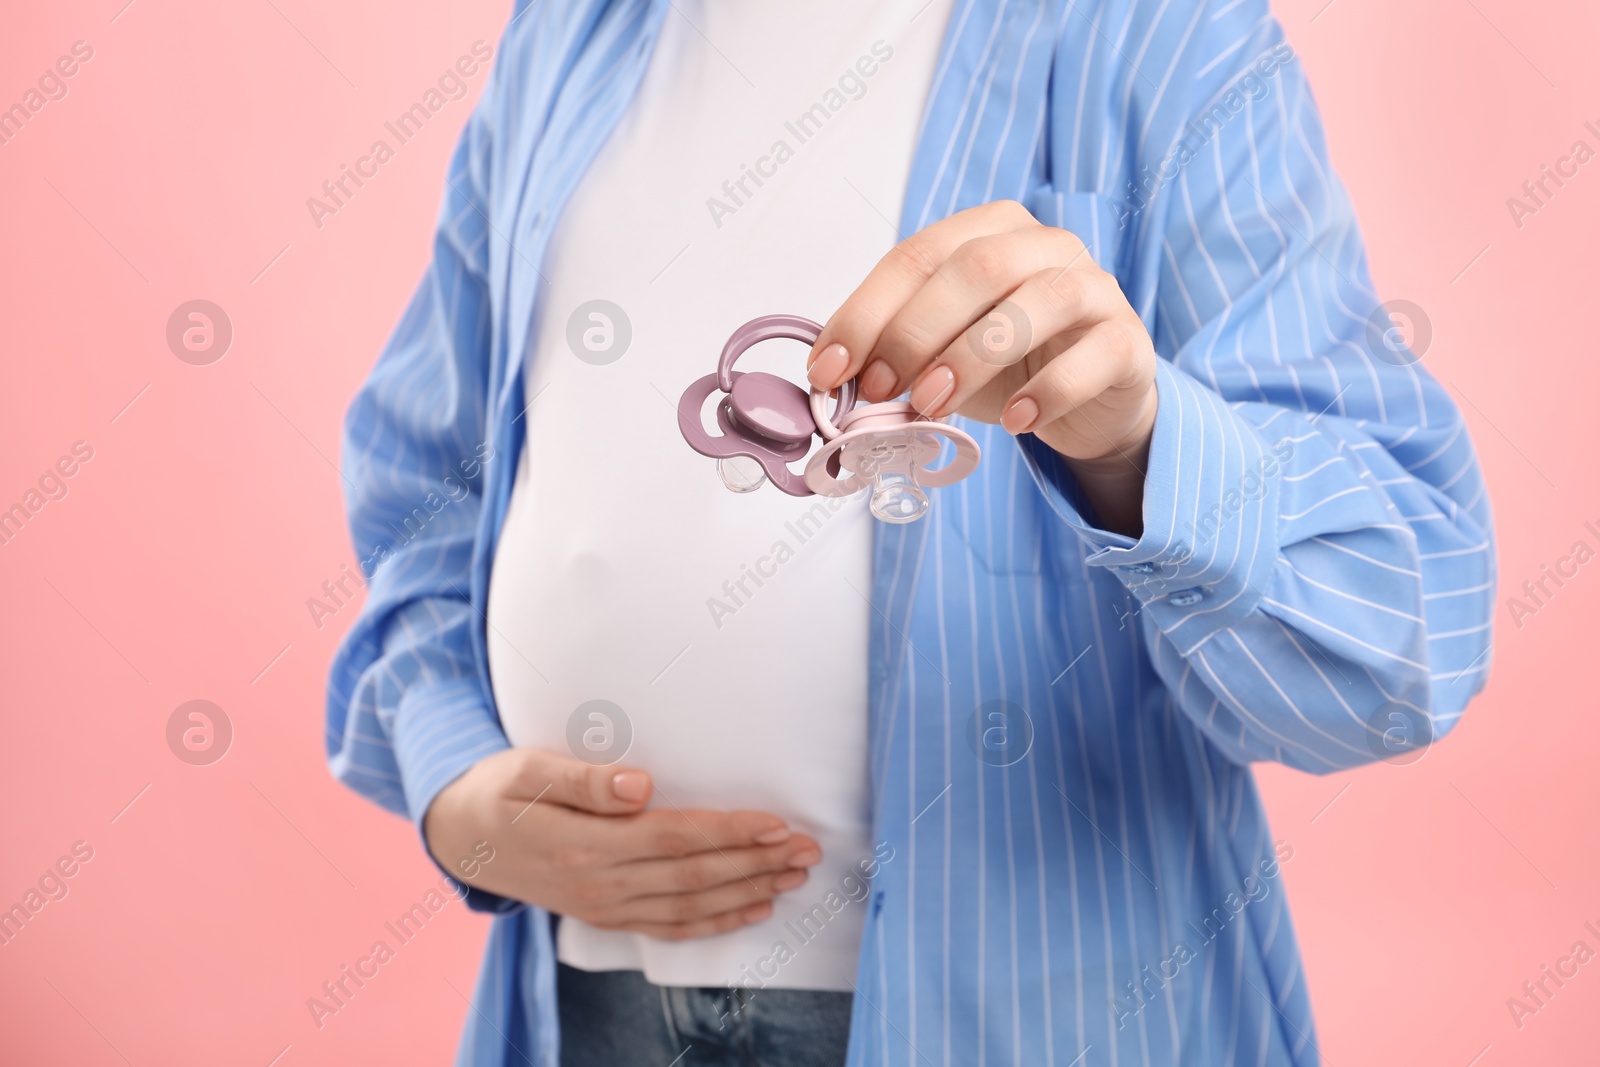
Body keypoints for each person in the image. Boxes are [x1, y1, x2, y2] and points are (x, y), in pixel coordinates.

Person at [325, 0, 1496, 1063]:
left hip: (1041, 1021)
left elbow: (1398, 636)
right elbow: (424, 499)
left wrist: (1140, 443)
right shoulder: (562, 38)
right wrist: (454, 788)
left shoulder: (1158, 35)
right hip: (589, 1010)